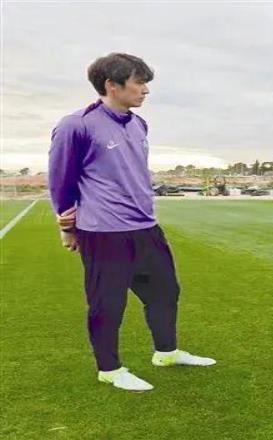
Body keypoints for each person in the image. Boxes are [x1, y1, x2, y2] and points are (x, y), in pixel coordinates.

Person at [49, 53, 216, 392]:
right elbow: (61, 181)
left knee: (165, 292)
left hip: (146, 227)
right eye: (139, 82)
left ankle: (166, 352)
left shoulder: (139, 124)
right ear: (112, 85)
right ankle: (110, 369)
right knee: (108, 304)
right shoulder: (76, 125)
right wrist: (67, 228)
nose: (145, 90)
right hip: (104, 232)